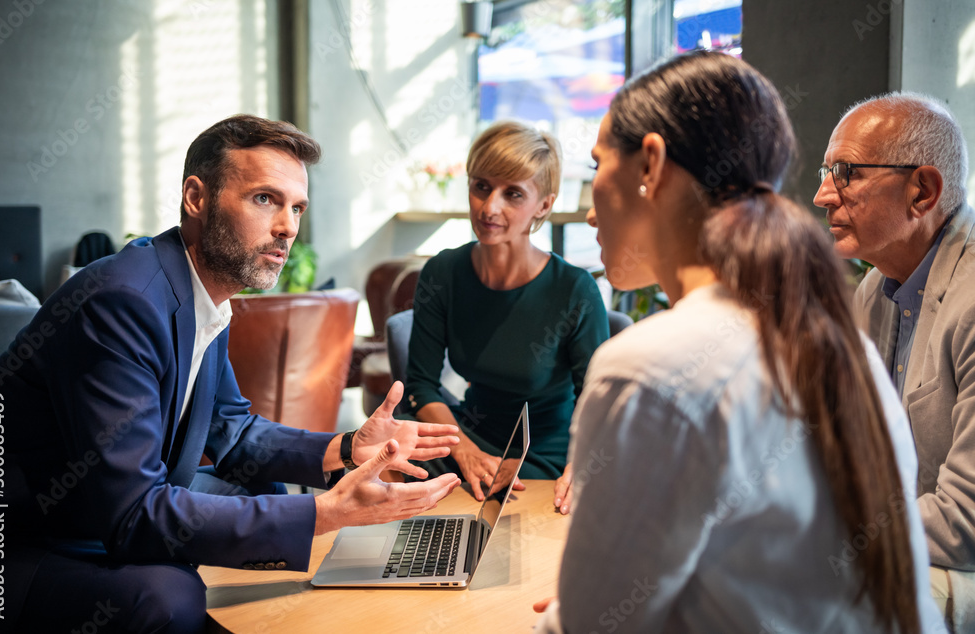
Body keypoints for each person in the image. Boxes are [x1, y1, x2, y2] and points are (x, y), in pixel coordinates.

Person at [0, 114, 461, 633]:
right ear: (196, 197)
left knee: (269, 495)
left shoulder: (200, 291)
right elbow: (133, 512)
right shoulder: (123, 302)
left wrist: (346, 448)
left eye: (297, 207)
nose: (288, 227)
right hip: (13, 543)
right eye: (264, 199)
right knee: (171, 597)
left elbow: (234, 431)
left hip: (88, 511)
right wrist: (327, 512)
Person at [534, 52, 942, 632]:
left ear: (650, 163)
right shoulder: (840, 344)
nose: (589, 210)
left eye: (597, 165)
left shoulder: (652, 366)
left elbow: (595, 625)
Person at [814, 92, 974, 629]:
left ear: (922, 191)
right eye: (825, 172)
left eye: (845, 173)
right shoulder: (874, 288)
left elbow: (964, 523)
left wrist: (816, 520)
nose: (821, 196)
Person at [405, 121, 608, 502]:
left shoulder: (574, 290)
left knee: (493, 504)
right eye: (481, 186)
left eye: (513, 194)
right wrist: (462, 449)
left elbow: (596, 402)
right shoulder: (443, 272)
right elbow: (420, 386)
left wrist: (578, 465)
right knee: (383, 457)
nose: (489, 207)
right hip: (465, 437)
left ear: (544, 205)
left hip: (544, 453)